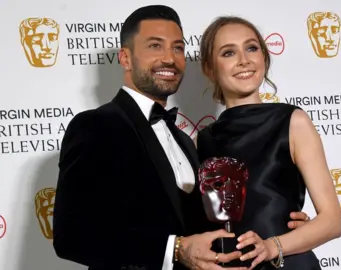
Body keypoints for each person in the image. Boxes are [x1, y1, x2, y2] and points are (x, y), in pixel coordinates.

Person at [52, 5, 310, 270]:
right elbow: (71, 237)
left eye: (177, 48)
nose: (169, 58)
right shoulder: (95, 125)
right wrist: (174, 249)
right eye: (155, 46)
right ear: (125, 58)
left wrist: (286, 229)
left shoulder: (188, 142)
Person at [196, 16, 341, 269]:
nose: (244, 60)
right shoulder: (205, 139)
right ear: (210, 68)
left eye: (252, 48)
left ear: (264, 57)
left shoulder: (292, 121)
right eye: (229, 52)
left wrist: (272, 246)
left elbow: (332, 221)